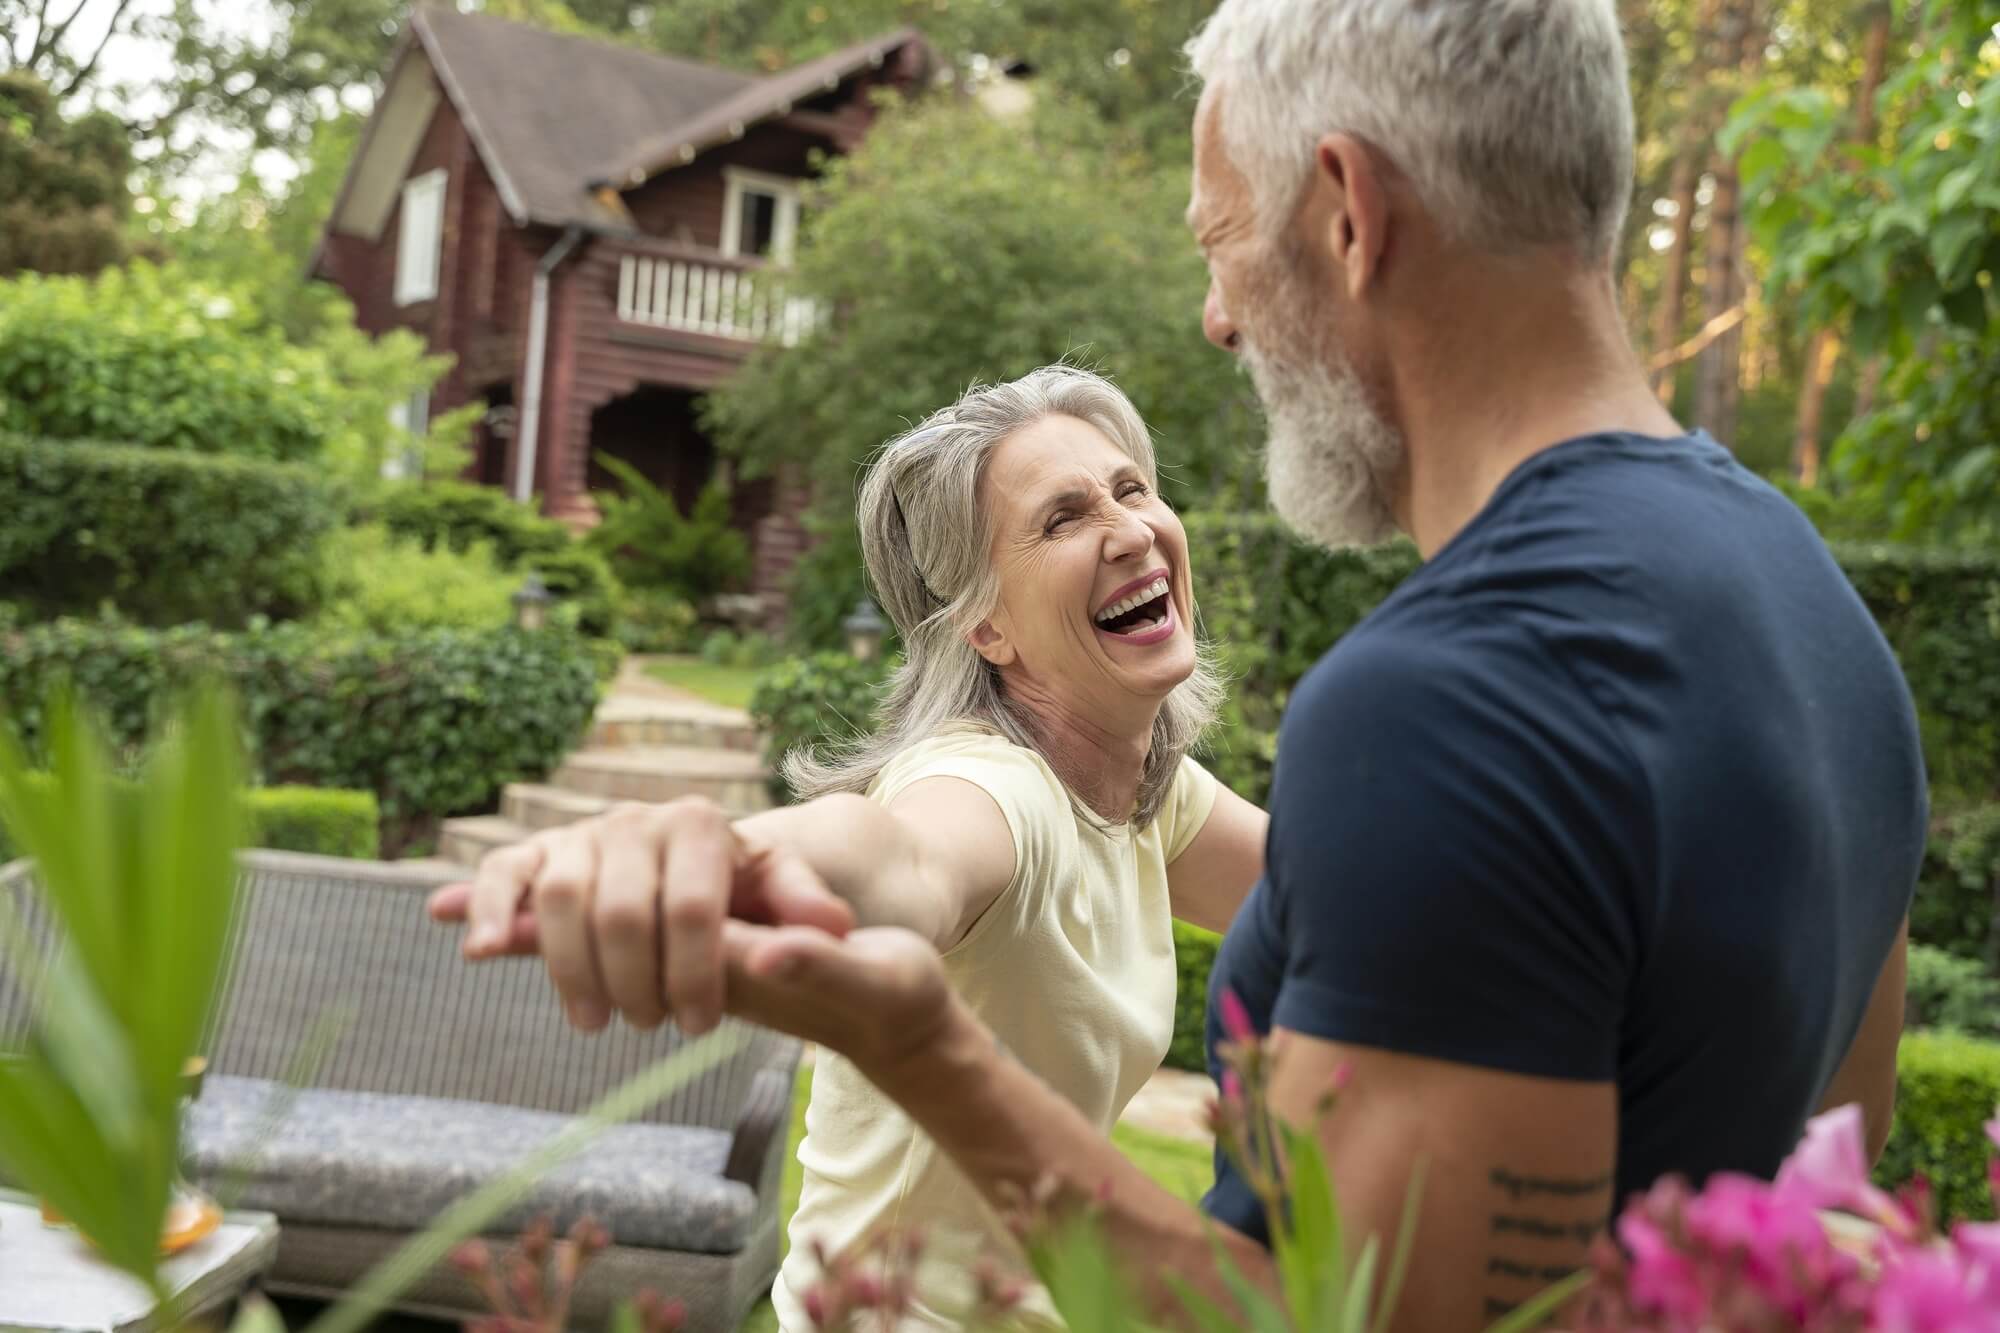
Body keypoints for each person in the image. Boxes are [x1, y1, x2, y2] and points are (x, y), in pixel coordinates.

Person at [443, 0, 1929, 1325]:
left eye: (1225, 244)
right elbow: (1823, 1207)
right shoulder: (1815, 613)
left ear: (1348, 214)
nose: (1220, 319)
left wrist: (917, 1042)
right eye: (1066, 510)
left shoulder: (1453, 704)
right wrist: (746, 855)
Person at [430, 366, 1269, 1328]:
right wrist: (728, 853)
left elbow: (1335, 896)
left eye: (1131, 489)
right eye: (1062, 519)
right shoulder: (996, 788)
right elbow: (899, 855)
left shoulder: (1148, 789)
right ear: (986, 625)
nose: (1130, 532)